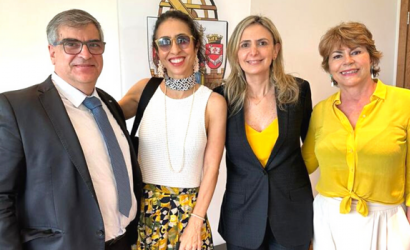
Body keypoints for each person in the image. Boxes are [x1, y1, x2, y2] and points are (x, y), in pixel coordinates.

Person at [0, 9, 142, 250]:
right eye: (71, 44)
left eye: (93, 44)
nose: (85, 54)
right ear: (52, 52)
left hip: (123, 241)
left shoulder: (107, 104)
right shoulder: (17, 109)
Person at [302, 22, 410, 250]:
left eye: (356, 51)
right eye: (337, 55)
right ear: (329, 67)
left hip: (386, 222)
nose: (347, 61)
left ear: (372, 58)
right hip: (328, 220)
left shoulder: (408, 103)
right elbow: (304, 163)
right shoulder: (321, 111)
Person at [119, 10, 226, 250]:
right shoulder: (144, 90)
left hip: (189, 216)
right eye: (165, 42)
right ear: (157, 51)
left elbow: (211, 169)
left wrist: (196, 223)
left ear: (195, 44)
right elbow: (101, 118)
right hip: (142, 215)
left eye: (182, 39)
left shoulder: (213, 103)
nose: (175, 49)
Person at [213, 15, 313, 250]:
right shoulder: (221, 98)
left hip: (292, 213)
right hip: (242, 215)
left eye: (262, 43)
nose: (253, 51)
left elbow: (315, 148)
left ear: (276, 49)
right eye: (245, 44)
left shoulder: (299, 91)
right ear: (235, 53)